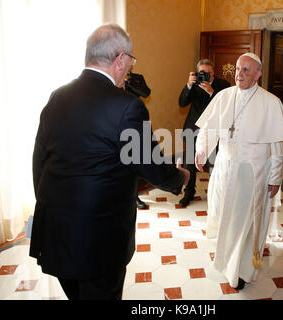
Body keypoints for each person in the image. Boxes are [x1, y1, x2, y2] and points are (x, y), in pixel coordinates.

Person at [29, 24, 190, 300]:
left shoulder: (58, 96)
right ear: (119, 59)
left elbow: (39, 160)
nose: (129, 68)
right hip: (98, 240)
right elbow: (149, 164)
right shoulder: (127, 106)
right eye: (130, 60)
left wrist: (50, 207)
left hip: (55, 230)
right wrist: (180, 178)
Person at [194, 53, 283, 290]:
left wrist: (275, 177)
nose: (240, 74)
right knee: (227, 218)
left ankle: (241, 270)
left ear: (258, 74)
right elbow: (208, 128)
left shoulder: (271, 103)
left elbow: (277, 147)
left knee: (245, 223)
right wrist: (201, 150)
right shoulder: (224, 96)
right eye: (238, 69)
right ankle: (225, 261)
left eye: (247, 70)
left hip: (253, 174)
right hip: (225, 169)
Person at [178, 59, 230, 207]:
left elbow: (226, 107)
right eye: (202, 73)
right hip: (193, 129)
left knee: (216, 162)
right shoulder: (193, 84)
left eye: (208, 73)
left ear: (214, 73)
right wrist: (188, 85)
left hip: (215, 131)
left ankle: (216, 193)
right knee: (189, 163)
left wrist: (211, 92)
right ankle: (189, 193)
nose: (205, 76)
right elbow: (181, 103)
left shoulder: (223, 85)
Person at [124, 71, 151, 209]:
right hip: (114, 123)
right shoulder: (110, 76)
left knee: (134, 160)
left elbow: (146, 93)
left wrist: (129, 81)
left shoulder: (137, 78)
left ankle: (134, 196)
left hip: (134, 123)